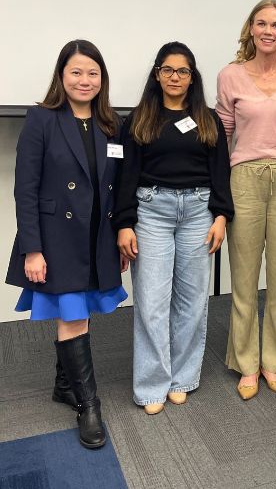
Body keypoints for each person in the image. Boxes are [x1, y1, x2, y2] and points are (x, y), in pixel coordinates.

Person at [6, 39, 128, 449]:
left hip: (96, 237)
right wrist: (32, 249)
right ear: (62, 75)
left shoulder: (111, 123)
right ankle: (88, 405)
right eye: (76, 71)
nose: (84, 80)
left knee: (80, 314)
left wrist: (116, 240)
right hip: (57, 239)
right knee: (74, 315)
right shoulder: (43, 119)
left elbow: (115, 189)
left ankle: (64, 385)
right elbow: (26, 189)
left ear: (102, 79)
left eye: (93, 73)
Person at [114, 42, 233, 415]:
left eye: (183, 71)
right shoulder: (138, 120)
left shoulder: (208, 118)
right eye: (168, 70)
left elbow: (220, 172)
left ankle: (182, 378)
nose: (175, 77)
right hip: (152, 213)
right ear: (157, 74)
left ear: (192, 77)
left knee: (191, 301)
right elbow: (126, 174)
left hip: (198, 213)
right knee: (151, 302)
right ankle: (152, 386)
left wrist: (221, 216)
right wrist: (125, 223)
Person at [216, 0, 276, 400]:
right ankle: (246, 364)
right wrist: (219, 196)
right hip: (245, 180)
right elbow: (222, 135)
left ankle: (274, 361)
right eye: (261, 23)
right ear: (250, 29)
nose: (269, 31)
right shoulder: (230, 75)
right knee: (243, 278)